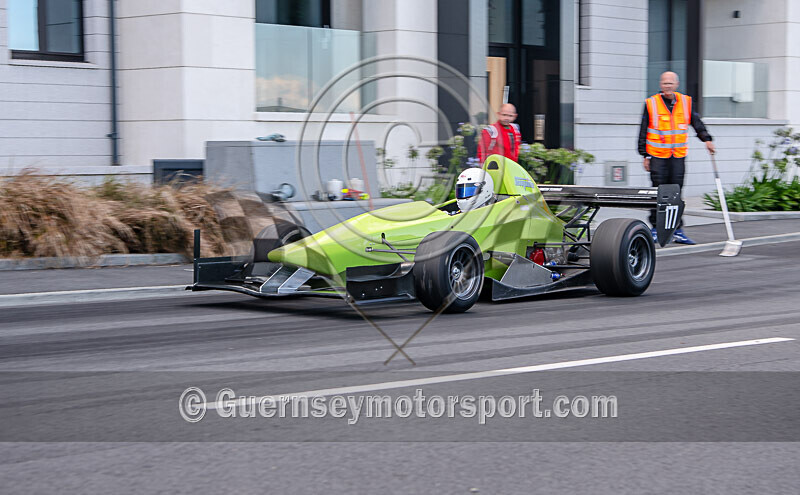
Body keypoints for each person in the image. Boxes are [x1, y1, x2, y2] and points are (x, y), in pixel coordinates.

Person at [639, 71, 715, 245]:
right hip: (657, 156)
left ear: (676, 84)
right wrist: (644, 155)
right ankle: (656, 228)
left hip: (677, 157)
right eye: (665, 83)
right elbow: (643, 130)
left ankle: (677, 230)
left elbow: (696, 122)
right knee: (658, 193)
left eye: (670, 83)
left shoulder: (686, 102)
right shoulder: (651, 103)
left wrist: (707, 139)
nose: (667, 86)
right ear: (660, 85)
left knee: (676, 194)